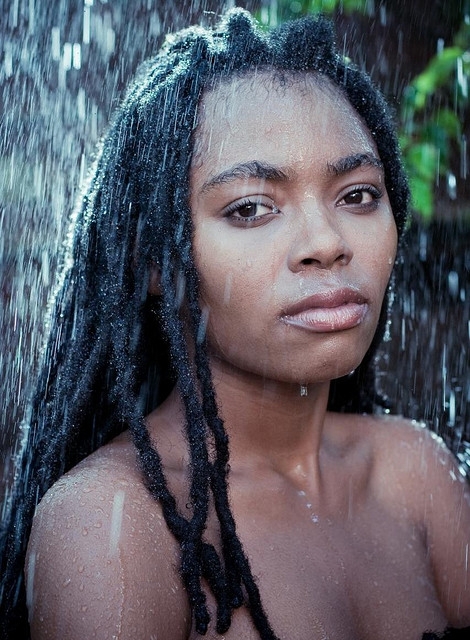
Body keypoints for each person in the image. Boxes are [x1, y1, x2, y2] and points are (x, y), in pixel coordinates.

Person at [0, 8, 469, 640]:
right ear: (156, 258)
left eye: (358, 194)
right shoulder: (114, 523)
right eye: (250, 208)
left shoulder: (416, 476)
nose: (327, 242)